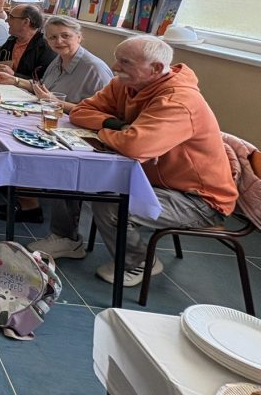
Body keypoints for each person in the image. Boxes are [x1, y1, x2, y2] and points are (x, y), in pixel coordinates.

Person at [57, 37, 238, 287]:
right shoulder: (125, 84)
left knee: (111, 204)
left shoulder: (179, 101)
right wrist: (118, 126)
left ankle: (140, 262)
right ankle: (65, 238)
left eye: (125, 62)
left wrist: (105, 132)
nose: (115, 66)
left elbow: (135, 146)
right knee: (73, 172)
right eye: (117, 59)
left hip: (197, 199)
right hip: (151, 179)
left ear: (155, 68)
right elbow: (79, 112)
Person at [0, 15, 112, 223]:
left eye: (65, 36)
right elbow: (43, 90)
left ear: (79, 37)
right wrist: (15, 80)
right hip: (52, 119)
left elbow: (104, 114)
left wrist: (57, 103)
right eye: (53, 37)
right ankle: (16, 185)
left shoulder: (94, 68)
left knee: (22, 142)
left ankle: (30, 206)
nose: (58, 41)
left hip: (81, 132)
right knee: (4, 126)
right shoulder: (59, 59)